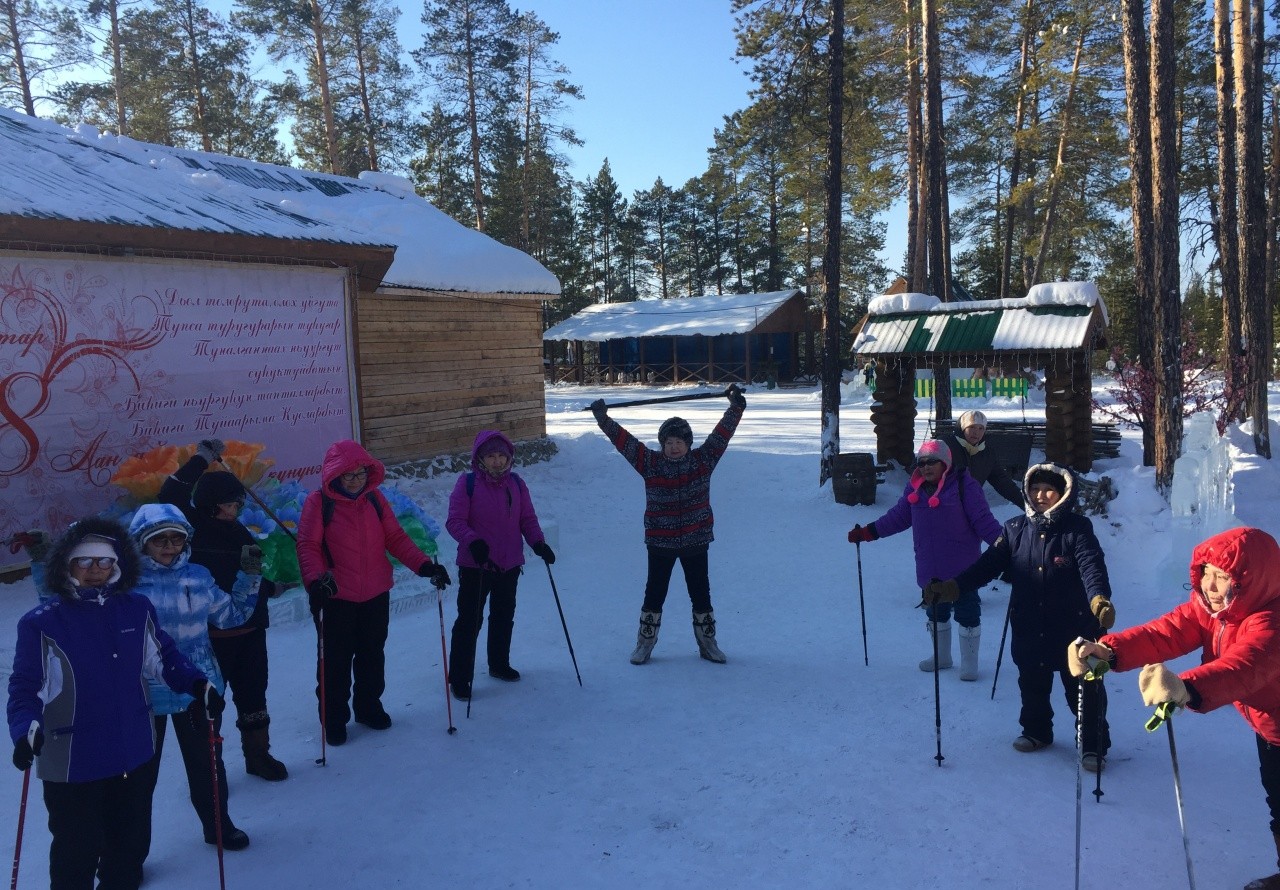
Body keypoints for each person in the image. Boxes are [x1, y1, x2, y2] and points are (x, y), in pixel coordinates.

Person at [8, 518, 213, 890]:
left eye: (103, 562)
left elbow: (163, 658)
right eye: (84, 562)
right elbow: (25, 686)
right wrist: (24, 730)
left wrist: (197, 684)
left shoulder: (136, 608)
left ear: (117, 565)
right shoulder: (41, 623)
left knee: (127, 849)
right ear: (66, 566)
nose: (95, 571)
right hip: (73, 760)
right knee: (77, 851)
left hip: (132, 750)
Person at [1070, 527, 1280, 889]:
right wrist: (1109, 650)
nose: (1210, 586)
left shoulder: (1270, 621)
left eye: (1222, 577)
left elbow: (1246, 667)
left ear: (1250, 579)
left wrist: (1188, 687)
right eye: (1206, 574)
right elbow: (1165, 633)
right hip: (1269, 725)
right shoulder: (1215, 609)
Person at [928, 463, 1116, 770]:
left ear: (1063, 494)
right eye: (1035, 489)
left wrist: (1099, 600)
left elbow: (1091, 567)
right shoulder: (1014, 529)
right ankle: (1036, 731)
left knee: (1082, 689)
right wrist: (953, 587)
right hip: (1029, 623)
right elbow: (987, 565)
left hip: (1074, 626)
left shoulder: (1077, 529)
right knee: (1032, 683)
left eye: (1048, 490)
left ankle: (1094, 745)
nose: (1040, 495)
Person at [297, 440, 451, 745]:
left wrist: (424, 566)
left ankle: (368, 707)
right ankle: (334, 718)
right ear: (334, 477)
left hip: (376, 592)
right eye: (348, 475)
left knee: (371, 655)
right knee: (335, 662)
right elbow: (308, 545)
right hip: (336, 596)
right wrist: (316, 581)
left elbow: (395, 538)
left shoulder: (375, 500)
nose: (355, 480)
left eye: (360, 474)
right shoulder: (319, 503)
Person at [128, 502, 260, 852]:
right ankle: (130, 851)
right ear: (142, 543)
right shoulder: (125, 584)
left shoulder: (199, 576)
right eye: (160, 540)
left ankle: (218, 825)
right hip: (145, 690)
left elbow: (231, 617)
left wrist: (249, 576)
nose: (169, 546)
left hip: (197, 688)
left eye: (176, 538)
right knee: (140, 775)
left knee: (207, 765)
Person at [159, 437, 287, 781]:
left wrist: (273, 586)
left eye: (240, 502)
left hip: (251, 630)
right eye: (234, 503)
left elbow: (248, 576)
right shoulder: (192, 529)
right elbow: (169, 495)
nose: (238, 508)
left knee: (254, 694)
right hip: (212, 635)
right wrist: (202, 458)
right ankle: (210, 772)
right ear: (213, 505)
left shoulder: (238, 529)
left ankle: (258, 755)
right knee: (210, 703)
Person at [590, 384, 746, 665]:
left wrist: (736, 408)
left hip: (696, 540)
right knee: (654, 593)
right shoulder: (650, 463)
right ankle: (644, 644)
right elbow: (624, 442)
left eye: (679, 442)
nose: (674, 447)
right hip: (660, 542)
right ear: (662, 444)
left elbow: (721, 436)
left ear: (688, 444)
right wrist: (603, 418)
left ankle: (708, 644)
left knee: (701, 593)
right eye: (669, 442)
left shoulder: (703, 461)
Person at [848, 438, 1002, 679]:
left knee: (968, 613)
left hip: (964, 570)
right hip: (930, 567)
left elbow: (984, 522)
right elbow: (897, 518)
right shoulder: (915, 489)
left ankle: (969, 664)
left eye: (933, 462)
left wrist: (1009, 546)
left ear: (946, 463)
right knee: (935, 612)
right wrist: (868, 532)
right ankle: (942, 657)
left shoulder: (964, 486)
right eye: (922, 463)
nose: (927, 467)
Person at [445, 431, 554, 701]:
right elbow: (454, 521)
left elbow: (527, 519)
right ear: (480, 458)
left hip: (510, 564)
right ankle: (460, 677)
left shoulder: (516, 484)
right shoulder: (467, 484)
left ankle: (499, 664)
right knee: (470, 621)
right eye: (490, 456)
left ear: (509, 458)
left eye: (501, 456)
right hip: (476, 565)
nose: (496, 461)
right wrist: (473, 541)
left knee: (504, 616)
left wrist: (538, 543)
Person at [944, 409, 1024, 508]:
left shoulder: (986, 453)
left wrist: (1027, 503)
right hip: (943, 506)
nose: (976, 432)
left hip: (972, 505)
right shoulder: (945, 446)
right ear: (963, 428)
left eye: (981, 428)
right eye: (971, 427)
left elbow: (1002, 482)